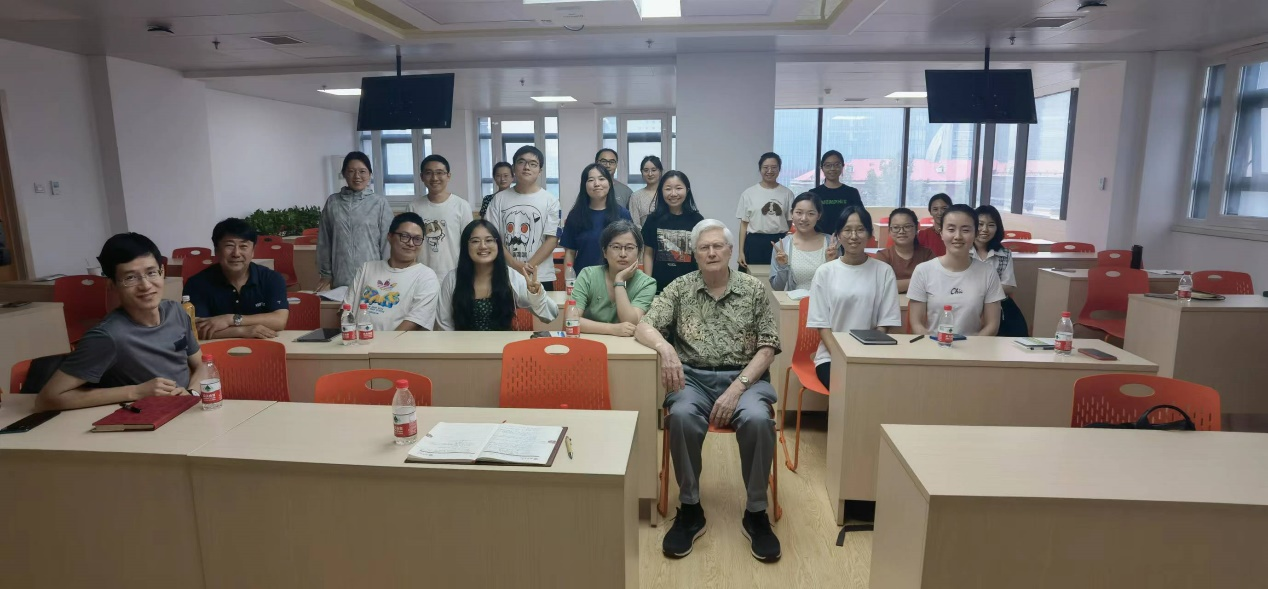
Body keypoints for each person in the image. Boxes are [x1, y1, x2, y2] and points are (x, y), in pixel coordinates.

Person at [636, 219, 782, 562]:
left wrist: (737, 388)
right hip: (694, 380)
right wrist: (666, 348)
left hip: (745, 380)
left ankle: (756, 512)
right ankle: (690, 509)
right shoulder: (679, 287)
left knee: (758, 419)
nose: (712, 252)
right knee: (681, 417)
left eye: (718, 246)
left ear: (730, 251)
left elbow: (768, 347)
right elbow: (644, 326)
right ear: (694, 254)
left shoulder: (753, 289)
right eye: (704, 247)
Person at [37, 233, 205, 410]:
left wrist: (191, 394)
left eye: (151, 273)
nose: (146, 285)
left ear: (162, 272)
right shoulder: (107, 336)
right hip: (144, 419)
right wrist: (137, 392)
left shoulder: (176, 311)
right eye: (130, 277)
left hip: (186, 411)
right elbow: (47, 399)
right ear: (112, 285)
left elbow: (202, 364)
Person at [805, 205, 903, 390]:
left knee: (883, 388)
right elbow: (822, 325)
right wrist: (842, 356)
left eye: (860, 230)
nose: (854, 236)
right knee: (847, 388)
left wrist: (864, 353)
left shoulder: (883, 271)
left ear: (869, 234)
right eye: (847, 230)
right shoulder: (825, 272)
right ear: (838, 235)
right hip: (831, 356)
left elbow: (885, 322)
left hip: (872, 353)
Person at [436, 220, 559, 331]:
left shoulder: (511, 277)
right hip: (462, 347)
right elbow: (444, 324)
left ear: (498, 245)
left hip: (503, 346)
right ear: (465, 246)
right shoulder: (452, 279)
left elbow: (550, 315)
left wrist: (536, 295)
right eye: (475, 241)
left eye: (489, 240)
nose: (483, 246)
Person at [183, 218, 290, 340]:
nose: (236, 253)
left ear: (253, 251)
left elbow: (279, 320)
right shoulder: (197, 283)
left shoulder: (272, 278)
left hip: (264, 346)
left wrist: (230, 319)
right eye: (229, 246)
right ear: (216, 250)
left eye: (243, 246)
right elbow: (195, 329)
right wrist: (242, 331)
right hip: (215, 349)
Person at [908, 204, 1005, 336]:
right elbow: (916, 323)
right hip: (933, 345)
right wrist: (933, 344)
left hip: (974, 346)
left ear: (975, 234)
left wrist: (971, 346)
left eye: (965, 230)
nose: (958, 236)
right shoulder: (923, 271)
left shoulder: (988, 273)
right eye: (951, 229)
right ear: (941, 233)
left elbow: (992, 325)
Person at [343, 212, 440, 332]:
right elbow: (346, 310)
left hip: (399, 343)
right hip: (359, 341)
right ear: (390, 236)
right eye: (404, 236)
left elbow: (415, 321)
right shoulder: (367, 268)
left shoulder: (426, 276)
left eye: (417, 239)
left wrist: (385, 343)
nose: (411, 243)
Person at [484, 146, 561, 291]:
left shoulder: (551, 201)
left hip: (540, 276)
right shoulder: (498, 200)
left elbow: (552, 240)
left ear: (540, 171)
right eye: (521, 162)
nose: (527, 167)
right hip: (505, 274)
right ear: (513, 168)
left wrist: (527, 267)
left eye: (533, 164)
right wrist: (515, 265)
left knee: (541, 306)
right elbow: (491, 237)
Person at [316, 151, 394, 291]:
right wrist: (326, 274)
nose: (357, 176)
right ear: (344, 174)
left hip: (373, 277)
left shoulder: (379, 203)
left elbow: (387, 243)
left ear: (370, 174)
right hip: (341, 277)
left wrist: (387, 273)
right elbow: (324, 242)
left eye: (362, 171)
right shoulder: (333, 202)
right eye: (351, 171)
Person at [572, 220, 657, 337]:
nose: (623, 254)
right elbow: (571, 320)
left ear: (639, 253)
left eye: (629, 248)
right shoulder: (588, 275)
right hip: (590, 342)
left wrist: (619, 281)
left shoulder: (647, 283)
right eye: (616, 247)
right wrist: (612, 329)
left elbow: (631, 323)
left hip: (627, 346)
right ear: (605, 252)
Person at [641, 171, 705, 293]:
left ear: (687, 190)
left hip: (689, 287)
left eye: (678, 188)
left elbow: (701, 254)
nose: (673, 193)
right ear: (661, 191)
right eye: (668, 189)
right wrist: (649, 283)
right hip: (659, 287)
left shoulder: (697, 220)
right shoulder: (653, 219)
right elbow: (648, 253)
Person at [409, 154, 472, 279]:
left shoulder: (461, 206)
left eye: (439, 173)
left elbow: (469, 243)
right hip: (421, 275)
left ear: (448, 176)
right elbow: (410, 245)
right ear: (422, 177)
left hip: (454, 275)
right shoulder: (414, 207)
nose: (434, 178)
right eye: (429, 173)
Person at [560, 164, 632, 272]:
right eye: (591, 180)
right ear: (584, 185)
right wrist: (569, 279)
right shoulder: (575, 215)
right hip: (584, 277)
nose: (597, 184)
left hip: (616, 277)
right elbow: (570, 252)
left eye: (601, 179)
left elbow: (630, 250)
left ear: (610, 183)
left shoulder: (623, 214)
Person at [973, 205, 1028, 337]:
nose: (985, 229)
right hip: (968, 304)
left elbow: (1009, 286)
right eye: (980, 224)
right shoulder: (963, 251)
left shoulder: (1004, 253)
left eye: (991, 225)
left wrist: (982, 292)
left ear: (997, 228)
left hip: (999, 304)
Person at [769, 192, 839, 291]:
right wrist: (783, 267)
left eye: (811, 214)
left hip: (824, 300)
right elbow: (777, 287)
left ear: (819, 215)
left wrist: (831, 263)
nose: (804, 218)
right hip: (793, 301)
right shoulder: (782, 246)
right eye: (799, 212)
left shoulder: (831, 244)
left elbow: (839, 283)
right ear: (791, 214)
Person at [737, 152, 793, 270]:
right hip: (754, 243)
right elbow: (743, 225)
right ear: (760, 169)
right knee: (752, 277)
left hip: (779, 242)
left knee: (779, 276)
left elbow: (789, 221)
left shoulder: (787, 193)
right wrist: (741, 252)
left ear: (779, 169)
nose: (770, 171)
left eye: (774, 167)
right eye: (766, 167)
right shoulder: (749, 193)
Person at [874, 207, 935, 293]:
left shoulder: (927, 254)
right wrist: (920, 281)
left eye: (907, 226)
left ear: (916, 228)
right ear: (890, 231)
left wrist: (896, 284)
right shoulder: (883, 256)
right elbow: (881, 286)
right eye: (896, 227)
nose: (901, 231)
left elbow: (934, 282)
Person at [810, 150, 864, 233]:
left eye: (837, 165)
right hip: (819, 237)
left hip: (846, 237)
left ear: (842, 166)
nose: (832, 169)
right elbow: (810, 217)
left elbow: (861, 217)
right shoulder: (814, 194)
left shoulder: (852, 193)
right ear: (822, 168)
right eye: (828, 165)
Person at [629, 155, 662, 230]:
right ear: (642, 172)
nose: (650, 174)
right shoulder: (636, 196)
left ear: (660, 171)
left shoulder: (667, 193)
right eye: (646, 170)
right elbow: (635, 224)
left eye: (654, 170)